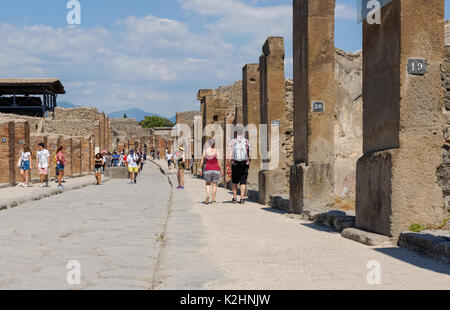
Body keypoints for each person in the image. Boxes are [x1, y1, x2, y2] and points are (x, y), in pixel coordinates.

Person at [228, 128, 250, 204]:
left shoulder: (232, 142)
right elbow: (249, 153)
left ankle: (234, 198)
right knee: (243, 182)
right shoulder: (246, 141)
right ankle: (242, 199)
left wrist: (228, 164)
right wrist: (248, 163)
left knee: (234, 181)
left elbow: (230, 155)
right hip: (244, 164)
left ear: (235, 133)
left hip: (235, 164)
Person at [199, 138, 223, 204]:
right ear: (214, 144)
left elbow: (202, 161)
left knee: (207, 184)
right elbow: (219, 162)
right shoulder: (216, 151)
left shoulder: (205, 151)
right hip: (216, 170)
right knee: (214, 185)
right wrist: (221, 170)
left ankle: (207, 195)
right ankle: (213, 200)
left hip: (208, 169)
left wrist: (200, 168)